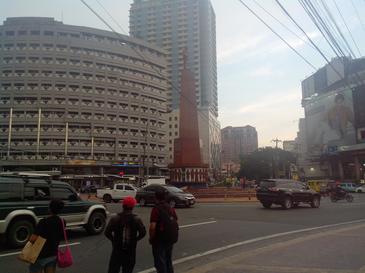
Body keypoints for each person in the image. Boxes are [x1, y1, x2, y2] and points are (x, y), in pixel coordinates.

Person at [105, 196, 146, 273]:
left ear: (123, 206)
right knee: (128, 270)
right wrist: (135, 240)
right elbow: (143, 233)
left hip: (117, 249)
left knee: (113, 269)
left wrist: (113, 240)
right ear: (132, 207)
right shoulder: (136, 219)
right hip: (130, 250)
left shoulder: (115, 218)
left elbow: (107, 233)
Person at [28, 199, 65, 273]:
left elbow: (32, 239)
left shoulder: (43, 222)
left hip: (40, 254)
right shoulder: (62, 221)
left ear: (50, 208)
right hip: (53, 254)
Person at [149, 190, 179, 273]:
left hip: (160, 238)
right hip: (170, 237)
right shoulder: (170, 208)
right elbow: (175, 220)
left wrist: (151, 238)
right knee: (168, 260)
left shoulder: (156, 208)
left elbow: (152, 227)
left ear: (156, 197)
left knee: (160, 262)